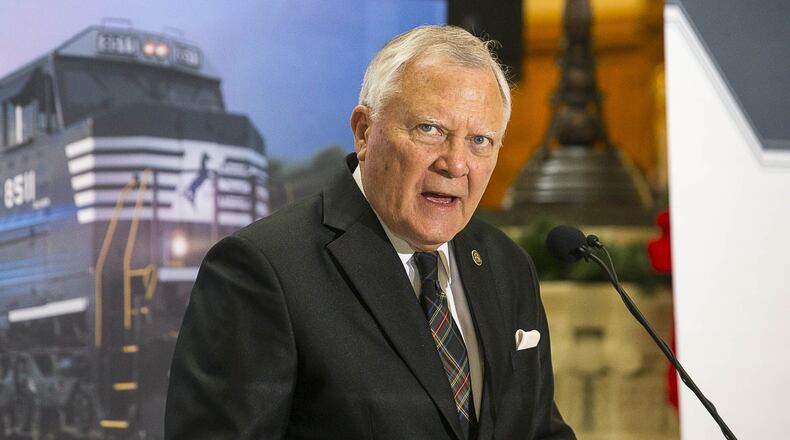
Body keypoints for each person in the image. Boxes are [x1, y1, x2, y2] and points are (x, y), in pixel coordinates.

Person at [165, 25, 575, 440]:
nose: (455, 164)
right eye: (430, 129)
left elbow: (539, 430)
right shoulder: (263, 270)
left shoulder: (506, 265)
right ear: (364, 131)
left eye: (480, 140)